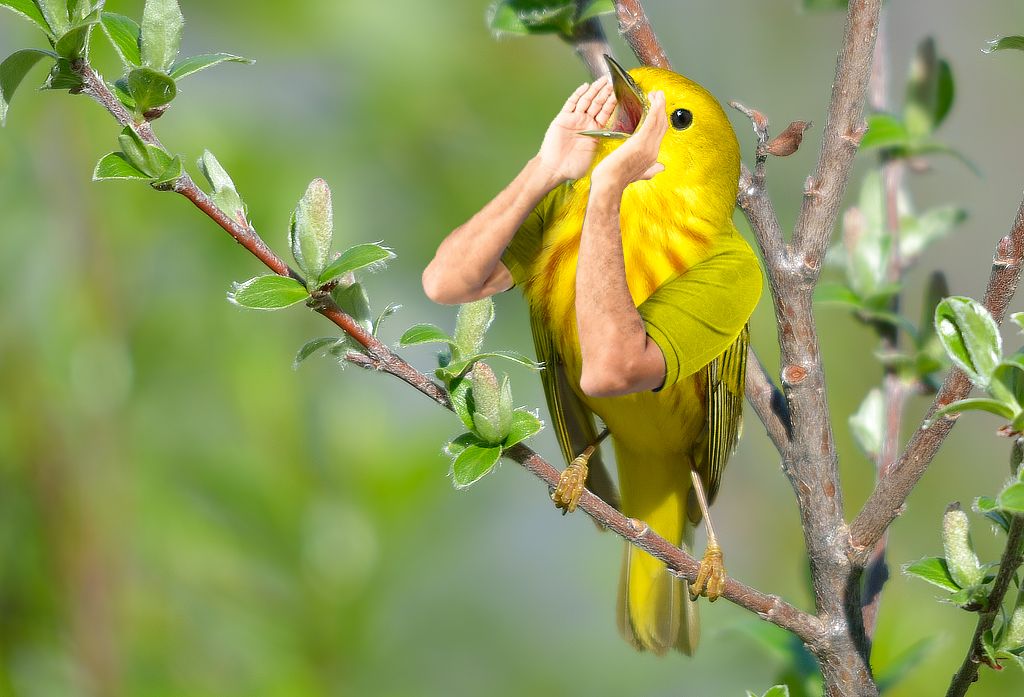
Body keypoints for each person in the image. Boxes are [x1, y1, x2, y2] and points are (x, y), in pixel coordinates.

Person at [422, 57, 762, 655]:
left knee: (678, 494)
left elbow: (619, 369)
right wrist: (545, 171)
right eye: (634, 107)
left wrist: (607, 190)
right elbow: (446, 281)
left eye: (675, 120)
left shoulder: (722, 263)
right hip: (605, 428)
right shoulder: (567, 216)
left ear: (705, 156)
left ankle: (700, 549)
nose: (641, 120)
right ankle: (591, 465)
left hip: (684, 438)